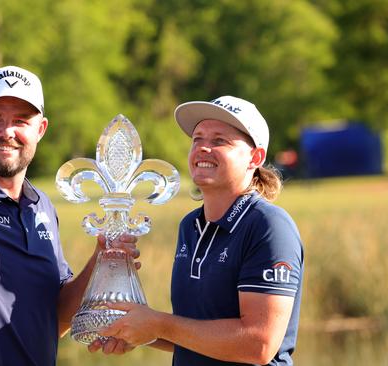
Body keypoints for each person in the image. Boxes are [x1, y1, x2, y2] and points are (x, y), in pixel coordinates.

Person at [0, 65, 137, 365]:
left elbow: (54, 316)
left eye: (21, 120)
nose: (7, 132)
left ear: (40, 129)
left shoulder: (41, 207)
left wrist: (102, 260)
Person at [93, 95, 304, 365]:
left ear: (255, 157)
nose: (203, 148)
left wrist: (158, 324)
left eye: (219, 141)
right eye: (197, 139)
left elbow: (258, 344)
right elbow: (194, 331)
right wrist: (136, 330)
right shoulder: (190, 225)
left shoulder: (268, 226)